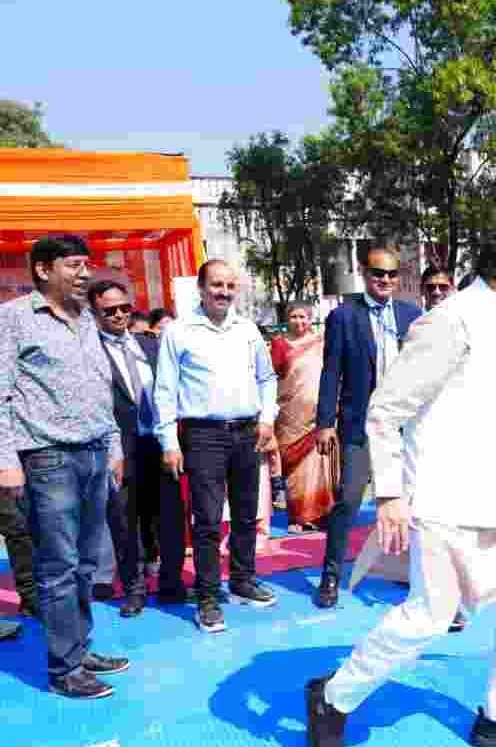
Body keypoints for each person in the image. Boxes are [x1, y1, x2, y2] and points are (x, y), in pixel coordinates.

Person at [305, 229, 496, 747]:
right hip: (444, 500)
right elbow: (384, 411)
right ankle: (333, 697)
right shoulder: (452, 320)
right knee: (428, 616)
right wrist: (389, 494)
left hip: (495, 499)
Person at [0, 235, 128, 699]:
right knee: (59, 566)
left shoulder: (87, 319)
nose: (84, 274)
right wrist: (6, 462)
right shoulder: (14, 319)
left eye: (86, 265)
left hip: (95, 453)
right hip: (47, 457)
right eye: (74, 265)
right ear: (43, 270)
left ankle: (79, 647)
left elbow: (99, 385)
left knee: (86, 564)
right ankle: (64, 669)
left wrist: (114, 445)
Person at [154, 259, 279, 634]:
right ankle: (207, 598)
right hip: (202, 435)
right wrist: (168, 441)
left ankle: (242, 580)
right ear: (201, 288)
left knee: (245, 514)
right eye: (216, 285)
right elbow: (165, 390)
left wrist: (267, 419)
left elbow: (267, 378)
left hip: (247, 432)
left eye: (229, 285)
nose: (223, 292)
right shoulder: (179, 331)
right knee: (207, 520)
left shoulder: (248, 329)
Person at [314, 247, 423, 608]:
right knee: (348, 499)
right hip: (360, 425)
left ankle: (415, 572)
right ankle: (331, 575)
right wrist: (325, 423)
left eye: (392, 274)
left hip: (405, 427)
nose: (385, 280)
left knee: (415, 502)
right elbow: (331, 372)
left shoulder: (412, 315)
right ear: (364, 273)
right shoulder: (343, 316)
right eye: (378, 273)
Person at [89, 279, 187, 617]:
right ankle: (134, 589)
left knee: (170, 518)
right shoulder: (89, 353)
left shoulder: (152, 345)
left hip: (160, 444)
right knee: (124, 523)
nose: (119, 315)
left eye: (124, 308)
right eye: (109, 310)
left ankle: (172, 584)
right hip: (119, 449)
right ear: (95, 312)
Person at [271, 302, 332, 532]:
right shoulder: (279, 345)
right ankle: (298, 517)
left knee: (320, 465)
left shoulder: (320, 343)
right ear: (287, 319)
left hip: (319, 415)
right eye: (294, 317)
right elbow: (271, 377)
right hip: (290, 416)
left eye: (303, 317)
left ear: (310, 319)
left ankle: (321, 516)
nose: (299, 321)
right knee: (294, 469)